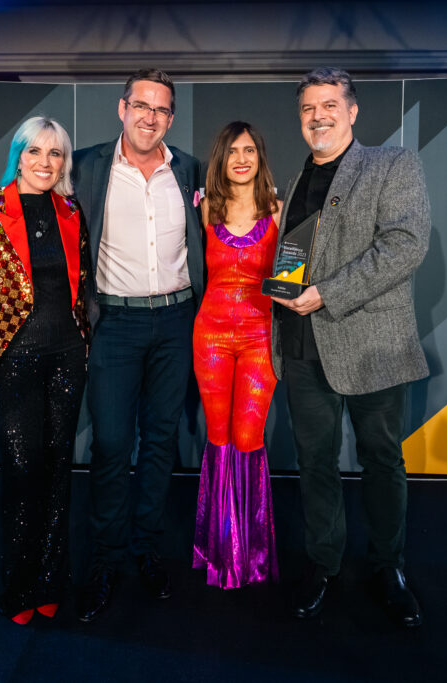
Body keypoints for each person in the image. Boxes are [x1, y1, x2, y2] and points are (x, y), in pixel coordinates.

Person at [270, 67, 430, 628]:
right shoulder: (292, 181)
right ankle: (323, 562)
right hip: (300, 346)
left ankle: (389, 567)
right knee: (315, 462)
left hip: (371, 346)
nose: (319, 115)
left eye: (330, 105)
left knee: (382, 459)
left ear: (352, 111)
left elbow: (405, 245)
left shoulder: (392, 164)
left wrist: (327, 294)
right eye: (309, 107)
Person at [71, 68, 204, 622]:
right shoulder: (84, 166)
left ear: (171, 118)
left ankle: (147, 549)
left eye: (163, 110)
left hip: (176, 323)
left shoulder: (191, 170)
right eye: (142, 106)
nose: (151, 117)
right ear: (122, 108)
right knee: (110, 446)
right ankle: (106, 560)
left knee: (160, 444)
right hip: (115, 326)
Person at [0, 116, 90, 625]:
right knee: (21, 474)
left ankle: (52, 580)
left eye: (55, 154)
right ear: (19, 155)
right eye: (36, 152)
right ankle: (19, 585)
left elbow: (83, 282)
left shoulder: (70, 210)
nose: (46, 163)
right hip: (13, 360)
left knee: (57, 473)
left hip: (68, 357)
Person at [192, 121, 281, 589]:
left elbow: (293, 276)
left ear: (260, 156)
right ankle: (217, 552)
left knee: (249, 438)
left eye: (250, 150)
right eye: (233, 152)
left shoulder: (279, 210)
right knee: (219, 435)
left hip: (260, 337)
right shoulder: (206, 208)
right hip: (209, 336)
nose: (242, 158)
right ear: (221, 159)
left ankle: (252, 554)